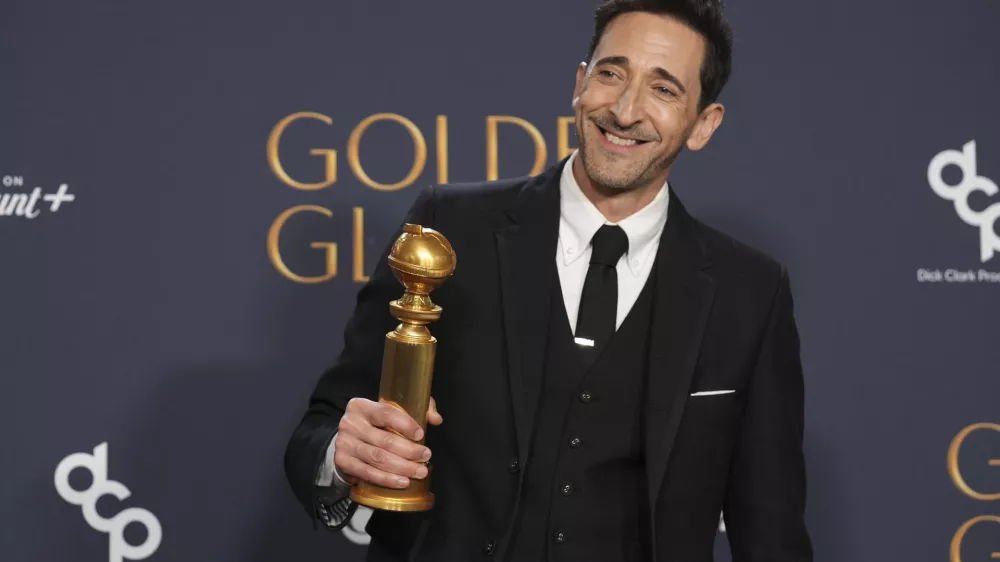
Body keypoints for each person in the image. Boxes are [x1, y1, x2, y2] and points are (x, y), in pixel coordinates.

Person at [284, 0, 813, 560]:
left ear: (703, 124)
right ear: (580, 84)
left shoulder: (749, 291)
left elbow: (771, 528)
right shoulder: (448, 229)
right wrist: (341, 453)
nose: (627, 109)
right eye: (612, 73)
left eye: (664, 90)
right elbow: (320, 428)